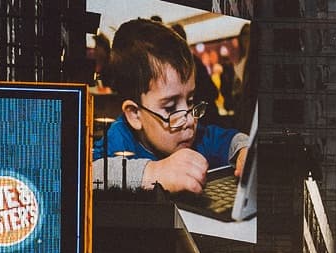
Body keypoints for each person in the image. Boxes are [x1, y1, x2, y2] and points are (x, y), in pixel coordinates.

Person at [92, 18, 251, 195]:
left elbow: (233, 140)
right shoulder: (119, 138)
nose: (189, 120)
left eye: (190, 101)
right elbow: (88, 173)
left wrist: (244, 152)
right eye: (170, 108)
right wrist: (154, 172)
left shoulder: (199, 137)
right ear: (135, 114)